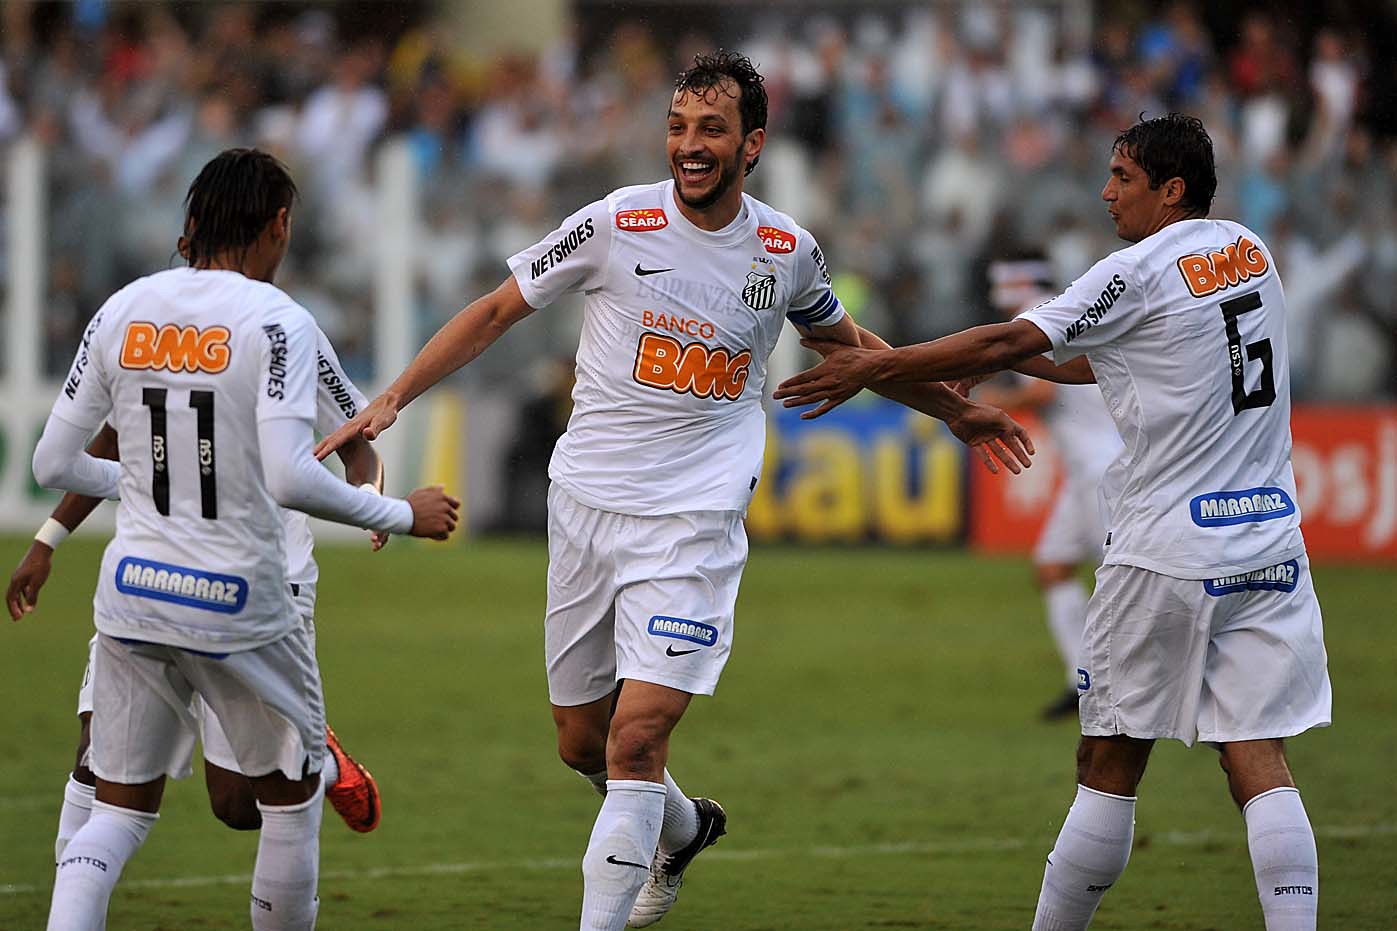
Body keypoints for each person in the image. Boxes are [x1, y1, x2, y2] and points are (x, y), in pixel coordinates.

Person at [316, 51, 1033, 931]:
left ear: (752, 143)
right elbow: (498, 309)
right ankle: (684, 827)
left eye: (710, 130)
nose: (688, 147)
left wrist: (949, 409)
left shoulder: (784, 249)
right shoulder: (616, 221)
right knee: (580, 742)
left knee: (636, 737)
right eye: (677, 127)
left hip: (695, 519)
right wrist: (391, 396)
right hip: (584, 507)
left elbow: (852, 347)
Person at [775, 113, 1330, 931]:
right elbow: (1082, 357)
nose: (1105, 194)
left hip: (1166, 550)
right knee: (1257, 756)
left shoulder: (1138, 268)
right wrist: (987, 358)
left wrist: (877, 365)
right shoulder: (1248, 252)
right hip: (1268, 545)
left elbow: (1011, 331)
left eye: (1122, 178)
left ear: (1170, 190)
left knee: (1105, 760)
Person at [30, 148, 460, 930]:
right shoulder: (277, 320)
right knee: (285, 808)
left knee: (126, 812)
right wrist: (398, 513)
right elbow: (291, 478)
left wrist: (157, 497)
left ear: (191, 223)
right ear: (280, 226)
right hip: (241, 598)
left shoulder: (123, 308)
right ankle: (318, 758)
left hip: (133, 590)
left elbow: (51, 459)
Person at [10, 319, 391, 867]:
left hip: (263, 584)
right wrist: (48, 538)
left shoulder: (291, 332)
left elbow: (357, 447)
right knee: (96, 761)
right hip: (153, 575)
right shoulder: (154, 319)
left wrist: (370, 501)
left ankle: (316, 761)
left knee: (237, 803)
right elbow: (112, 441)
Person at [970, 254, 1123, 720]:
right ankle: (1084, 680)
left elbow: (1044, 392)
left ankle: (1172, 684)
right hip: (1090, 471)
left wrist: (995, 400)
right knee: (1053, 566)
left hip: (1105, 472)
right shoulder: (1064, 308)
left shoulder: (1032, 321)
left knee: (1128, 584)